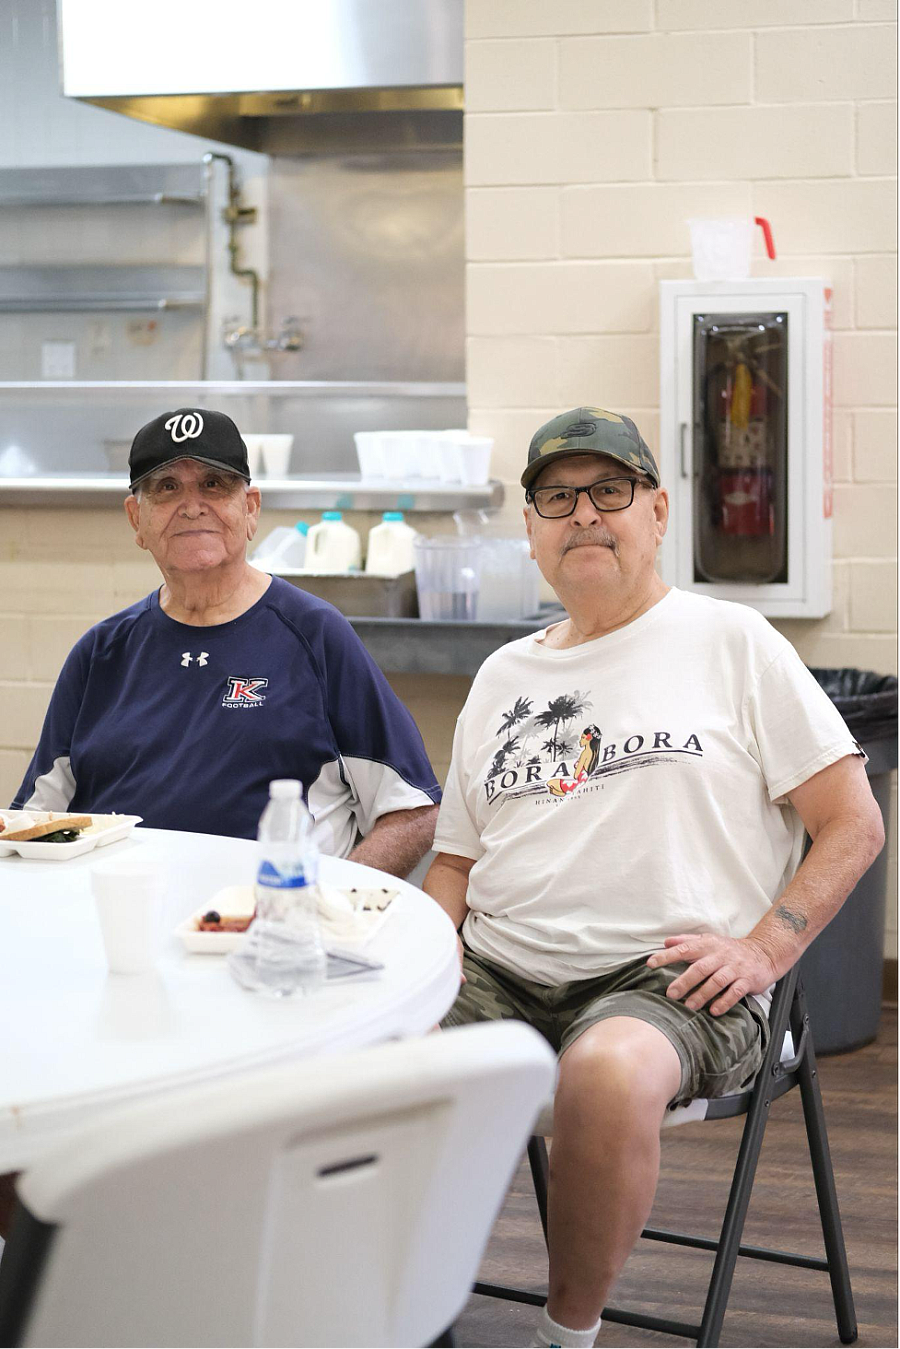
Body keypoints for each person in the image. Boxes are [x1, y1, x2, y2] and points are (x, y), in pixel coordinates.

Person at [423, 406, 884, 1349]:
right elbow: (457, 862)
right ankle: (384, 1309)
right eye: (557, 496)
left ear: (659, 511)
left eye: (610, 491)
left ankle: (567, 1333)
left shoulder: (733, 642)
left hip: (670, 977)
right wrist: (416, 970)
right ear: (531, 529)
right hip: (498, 967)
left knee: (606, 1070)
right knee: (357, 1054)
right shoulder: (502, 676)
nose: (584, 514)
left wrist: (766, 948)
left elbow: (854, 823)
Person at [12, 407, 440, 876]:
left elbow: (412, 811)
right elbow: (34, 823)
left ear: (250, 508)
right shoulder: (100, 653)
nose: (192, 504)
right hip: (120, 915)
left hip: (270, 924)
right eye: (167, 487)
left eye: (214, 484)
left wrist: (322, 905)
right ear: (137, 518)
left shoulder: (315, 633)